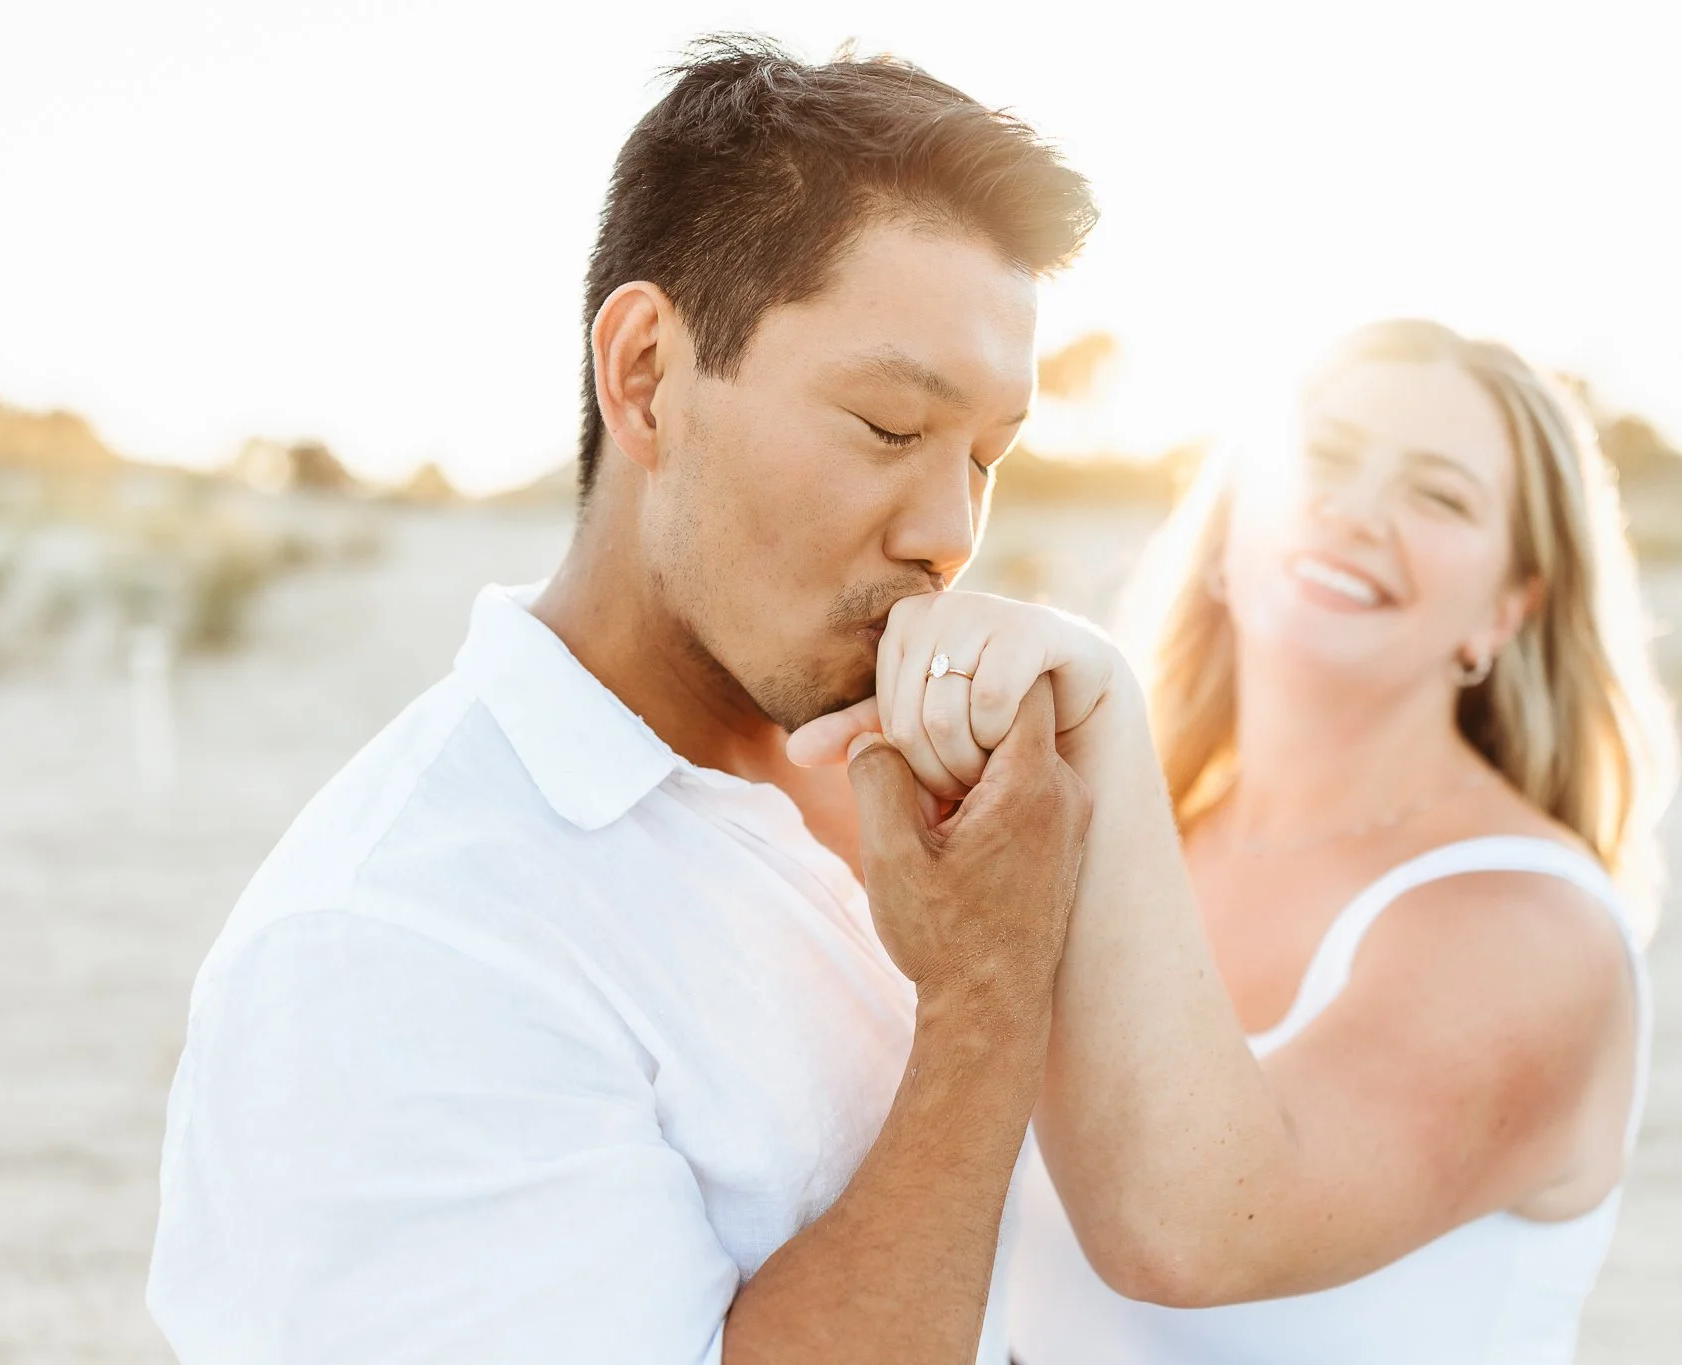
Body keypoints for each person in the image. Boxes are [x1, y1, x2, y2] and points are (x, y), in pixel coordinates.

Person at [146, 38, 1101, 1365]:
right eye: (890, 428)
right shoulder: (397, 946)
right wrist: (989, 995)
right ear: (647, 371)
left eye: (989, 457)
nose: (950, 529)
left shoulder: (914, 784)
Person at [792, 319, 1677, 1363]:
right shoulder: (1110, 832)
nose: (1357, 514)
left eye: (1436, 496)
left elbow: (1186, 1235)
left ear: (1505, 610)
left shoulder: (1532, 931)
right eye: (1325, 461)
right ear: (1229, 528)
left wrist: (1099, 707)